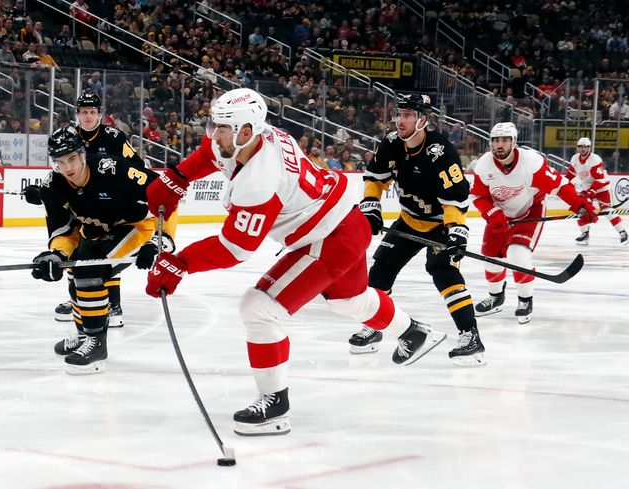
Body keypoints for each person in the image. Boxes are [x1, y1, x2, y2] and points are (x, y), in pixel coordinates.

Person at [143, 88, 444, 436]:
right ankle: (413, 332)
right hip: (343, 223)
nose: (213, 134)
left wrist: (180, 263)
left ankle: (275, 405)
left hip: (329, 238)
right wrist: (178, 178)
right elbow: (212, 154)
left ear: (245, 131)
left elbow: (236, 247)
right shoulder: (254, 136)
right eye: (213, 125)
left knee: (258, 308)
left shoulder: (260, 179)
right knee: (350, 301)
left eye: (221, 127)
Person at [349, 94, 485, 366]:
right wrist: (371, 204)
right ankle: (375, 326)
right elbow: (376, 178)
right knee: (380, 270)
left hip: (440, 225)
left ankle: (471, 337)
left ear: (422, 119)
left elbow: (454, 199)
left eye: (408, 115)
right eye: (399, 114)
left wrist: (456, 231)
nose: (400, 120)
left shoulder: (441, 152)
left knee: (443, 271)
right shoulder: (391, 143)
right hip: (409, 219)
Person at [30, 126, 176, 374]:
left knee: (90, 270)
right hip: (95, 231)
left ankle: (97, 345)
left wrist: (161, 242)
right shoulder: (53, 185)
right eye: (60, 162)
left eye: (72, 158)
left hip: (135, 227)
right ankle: (85, 334)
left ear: (83, 153)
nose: (68, 168)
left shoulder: (114, 169)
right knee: (75, 269)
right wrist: (57, 255)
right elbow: (64, 232)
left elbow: (168, 193)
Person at [473, 124, 599, 323]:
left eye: (505, 140)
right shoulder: (483, 164)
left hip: (529, 210)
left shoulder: (531, 163)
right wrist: (493, 213)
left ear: (514, 142)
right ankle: (496, 297)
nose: (499, 145)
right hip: (500, 215)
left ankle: (525, 299)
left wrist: (581, 206)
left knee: (517, 253)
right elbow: (478, 196)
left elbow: (559, 186)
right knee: (490, 256)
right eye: (496, 140)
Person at [46, 90, 147, 327]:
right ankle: (82, 300)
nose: (88, 116)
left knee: (104, 251)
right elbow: (60, 175)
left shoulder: (113, 136)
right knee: (79, 249)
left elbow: (136, 167)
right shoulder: (68, 137)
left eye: (92, 112)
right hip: (84, 203)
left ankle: (112, 305)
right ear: (77, 114)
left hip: (111, 203)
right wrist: (44, 193)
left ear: (99, 114)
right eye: (84, 112)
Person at [565, 137, 627, 246]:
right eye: (580, 147)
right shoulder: (575, 158)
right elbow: (571, 174)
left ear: (589, 147)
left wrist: (591, 192)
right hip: (587, 187)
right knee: (581, 209)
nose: (583, 149)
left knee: (607, 211)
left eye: (585, 147)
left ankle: (623, 232)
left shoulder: (594, 159)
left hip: (602, 187)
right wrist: (563, 183)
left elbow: (599, 179)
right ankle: (585, 233)